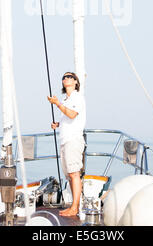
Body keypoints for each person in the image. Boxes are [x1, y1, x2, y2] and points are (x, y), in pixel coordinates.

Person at [47, 72, 86, 217]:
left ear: (76, 82)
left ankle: (75, 207)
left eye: (70, 76)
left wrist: (57, 104)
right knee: (70, 175)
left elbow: (72, 114)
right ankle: (73, 206)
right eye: (64, 77)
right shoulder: (67, 99)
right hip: (65, 140)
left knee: (74, 173)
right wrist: (58, 124)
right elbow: (67, 118)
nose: (66, 78)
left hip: (73, 140)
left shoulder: (77, 97)